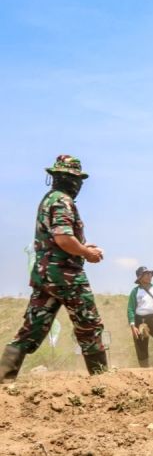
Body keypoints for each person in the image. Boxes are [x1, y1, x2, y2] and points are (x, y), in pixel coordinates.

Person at [1, 155, 107, 382]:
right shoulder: (63, 202)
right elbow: (63, 239)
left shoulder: (49, 199)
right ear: (72, 180)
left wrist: (81, 247)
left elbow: (58, 240)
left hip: (45, 274)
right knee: (89, 325)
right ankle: (103, 382)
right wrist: (87, 253)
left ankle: (3, 381)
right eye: (76, 179)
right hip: (65, 275)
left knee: (33, 329)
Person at [127, 266, 153, 368]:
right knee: (142, 349)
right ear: (140, 277)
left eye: (150, 274)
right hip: (140, 322)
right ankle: (145, 372)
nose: (150, 276)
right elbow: (130, 309)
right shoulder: (135, 291)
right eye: (147, 274)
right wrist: (132, 325)